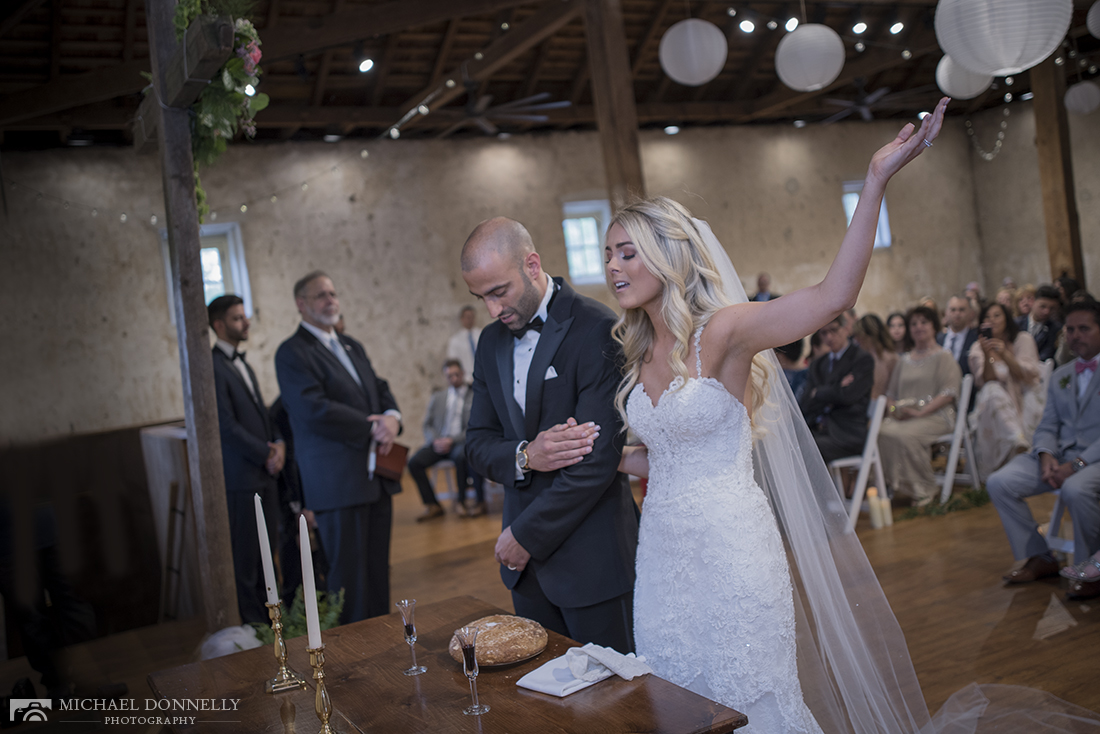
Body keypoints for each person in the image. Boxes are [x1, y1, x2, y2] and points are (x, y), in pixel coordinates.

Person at [610, 99, 949, 733]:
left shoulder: (729, 331)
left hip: (733, 547)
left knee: (752, 701)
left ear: (667, 254)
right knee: (678, 699)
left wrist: (873, 181)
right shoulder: (636, 350)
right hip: (661, 557)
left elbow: (831, 297)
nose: (612, 267)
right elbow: (662, 454)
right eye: (609, 255)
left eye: (627, 253)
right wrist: (602, 456)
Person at [461, 217, 639, 652]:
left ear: (532, 265)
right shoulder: (490, 343)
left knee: (617, 702)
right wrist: (525, 455)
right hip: (528, 573)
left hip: (591, 558)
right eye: (480, 297)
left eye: (499, 291)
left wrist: (526, 535)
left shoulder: (596, 327)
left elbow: (597, 461)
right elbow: (477, 444)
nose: (492, 310)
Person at [275, 271, 403, 623]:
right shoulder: (292, 353)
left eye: (333, 293)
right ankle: (355, 663)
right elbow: (312, 408)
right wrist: (372, 426)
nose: (331, 300)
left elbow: (379, 386)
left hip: (375, 477)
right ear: (301, 304)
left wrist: (392, 416)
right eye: (321, 296)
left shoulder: (350, 345)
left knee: (377, 574)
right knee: (348, 583)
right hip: (337, 483)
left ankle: (383, 649)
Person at [986, 300, 1100, 585]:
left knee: (1075, 489)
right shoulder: (1062, 375)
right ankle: (1041, 556)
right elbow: (1047, 423)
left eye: (1084, 329)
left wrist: (1075, 465)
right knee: (1000, 482)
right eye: (1070, 330)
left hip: (1093, 459)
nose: (1075, 335)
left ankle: (1090, 570)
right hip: (1060, 455)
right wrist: (1046, 454)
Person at [208, 294, 284, 625]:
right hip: (241, 477)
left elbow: (260, 414)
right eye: (238, 318)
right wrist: (265, 452)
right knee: (248, 557)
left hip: (264, 473)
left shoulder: (243, 364)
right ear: (219, 325)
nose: (246, 322)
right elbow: (226, 426)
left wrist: (278, 443)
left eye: (245, 316)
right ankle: (254, 625)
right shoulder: (212, 367)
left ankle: (275, 621)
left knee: (271, 549)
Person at [877, 305, 962, 506]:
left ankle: (924, 487)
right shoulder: (903, 360)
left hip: (936, 415)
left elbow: (948, 392)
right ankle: (898, 484)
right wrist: (893, 410)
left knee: (905, 435)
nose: (918, 327)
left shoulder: (944, 356)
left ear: (934, 326)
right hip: (904, 416)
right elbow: (889, 395)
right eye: (913, 323)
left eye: (924, 322)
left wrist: (921, 412)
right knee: (880, 431)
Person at [968, 302, 1043, 479]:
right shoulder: (977, 348)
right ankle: (1016, 438)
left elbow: (1028, 374)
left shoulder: (1022, 339)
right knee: (992, 390)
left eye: (997, 315)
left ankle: (1019, 444)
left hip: (1024, 396)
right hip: (993, 403)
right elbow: (986, 380)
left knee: (1003, 394)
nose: (992, 320)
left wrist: (1005, 355)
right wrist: (988, 354)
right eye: (987, 317)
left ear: (1006, 318)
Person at [408, 359, 479, 521]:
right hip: (438, 443)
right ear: (445, 377)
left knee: (461, 457)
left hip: (459, 443)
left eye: (456, 374)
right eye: (449, 376)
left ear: (462, 374)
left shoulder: (473, 395)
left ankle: (461, 501)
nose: (453, 378)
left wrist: (452, 440)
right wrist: (435, 441)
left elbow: (472, 426)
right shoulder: (438, 397)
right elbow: (427, 424)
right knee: (414, 463)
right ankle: (433, 504)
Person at [799, 316, 875, 464]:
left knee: (805, 449)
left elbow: (848, 396)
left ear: (846, 329)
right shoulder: (818, 364)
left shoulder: (861, 359)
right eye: (823, 333)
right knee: (786, 445)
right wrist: (836, 388)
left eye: (833, 330)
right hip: (819, 428)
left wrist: (818, 392)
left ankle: (817, 488)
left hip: (846, 433)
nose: (829, 337)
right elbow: (806, 403)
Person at [852, 313, 899, 402]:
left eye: (858, 335)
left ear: (868, 336)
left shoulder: (891, 358)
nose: (856, 340)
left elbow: (894, 391)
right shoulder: (861, 359)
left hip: (884, 408)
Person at [937, 295, 978, 379]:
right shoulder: (937, 339)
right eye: (953, 310)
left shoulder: (976, 339)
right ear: (946, 313)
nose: (957, 314)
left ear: (971, 313)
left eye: (962, 310)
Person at [1026, 285, 1062, 362]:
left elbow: (1046, 356)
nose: (1047, 312)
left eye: (1052, 308)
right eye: (1042, 306)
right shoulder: (1016, 324)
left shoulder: (1055, 329)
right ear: (1032, 301)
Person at [445, 304, 481, 381]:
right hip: (466, 380)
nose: (470, 319)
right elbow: (454, 363)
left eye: (472, 317)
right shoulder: (455, 340)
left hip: (484, 377)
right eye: (467, 317)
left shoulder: (481, 334)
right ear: (462, 318)